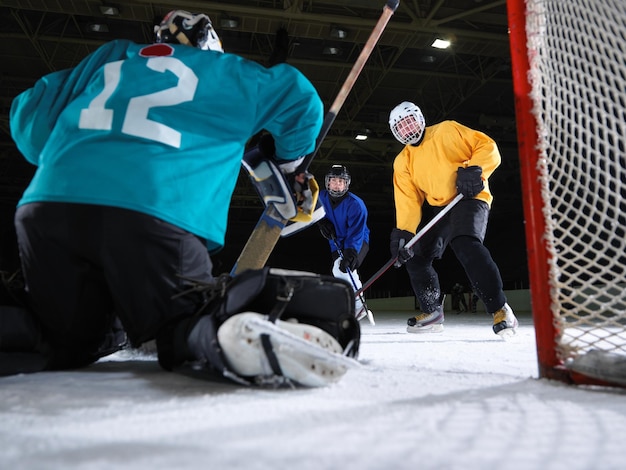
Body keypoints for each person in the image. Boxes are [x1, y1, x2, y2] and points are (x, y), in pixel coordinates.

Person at [2, 10, 361, 387]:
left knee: (59, 335)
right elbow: (301, 99)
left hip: (49, 209)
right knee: (183, 322)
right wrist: (290, 162)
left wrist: (77, 155)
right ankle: (228, 330)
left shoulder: (112, 56)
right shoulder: (223, 69)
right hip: (154, 214)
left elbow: (28, 116)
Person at [387, 101, 518, 336]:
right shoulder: (402, 161)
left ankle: (500, 308)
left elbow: (487, 146)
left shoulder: (447, 130)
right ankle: (432, 312)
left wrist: (475, 169)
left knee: (464, 242)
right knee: (414, 255)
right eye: (401, 127)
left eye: (409, 122)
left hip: (469, 196)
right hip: (441, 207)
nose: (408, 129)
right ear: (397, 133)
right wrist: (404, 232)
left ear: (419, 118)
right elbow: (408, 200)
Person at [317, 165, 372, 322]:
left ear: (346, 184)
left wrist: (350, 252)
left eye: (341, 181)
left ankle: (357, 304)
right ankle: (352, 304)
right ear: (328, 183)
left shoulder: (356, 205)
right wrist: (321, 223)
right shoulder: (321, 197)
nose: (337, 185)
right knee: (338, 271)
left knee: (344, 267)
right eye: (333, 181)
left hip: (358, 241)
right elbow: (313, 209)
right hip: (336, 242)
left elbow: (356, 232)